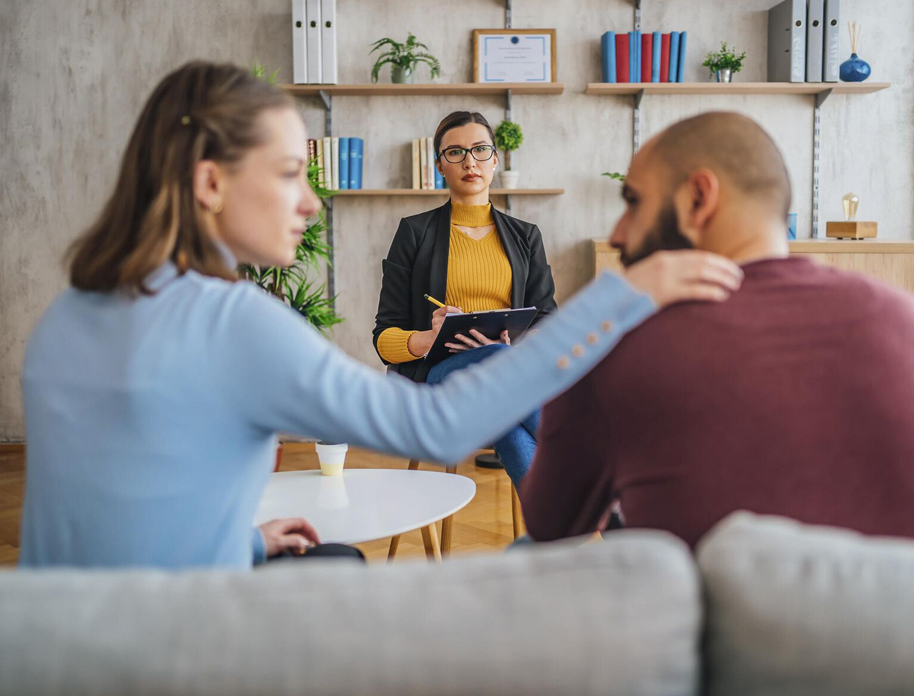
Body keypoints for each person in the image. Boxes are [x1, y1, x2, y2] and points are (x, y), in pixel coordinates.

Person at [18, 62, 743, 570]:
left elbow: (110, 530)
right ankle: (572, 520)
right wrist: (627, 292)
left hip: (69, 637)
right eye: (288, 174)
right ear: (210, 183)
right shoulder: (231, 320)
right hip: (174, 645)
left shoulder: (68, 315)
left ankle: (558, 518)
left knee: (331, 560)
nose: (309, 201)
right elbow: (434, 426)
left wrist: (242, 542)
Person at [520, 111, 914, 550]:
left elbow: (552, 527)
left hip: (717, 630)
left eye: (633, 202)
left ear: (698, 199)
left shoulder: (622, 345)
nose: (618, 233)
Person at [373, 110, 555, 488]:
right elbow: (384, 338)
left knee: (502, 404)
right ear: (439, 165)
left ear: (495, 160)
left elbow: (547, 322)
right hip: (438, 380)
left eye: (479, 150)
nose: (469, 161)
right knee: (501, 366)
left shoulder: (526, 237)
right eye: (454, 153)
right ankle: (594, 480)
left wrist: (514, 343)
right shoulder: (414, 233)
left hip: (502, 383)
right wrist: (429, 338)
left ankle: (555, 533)